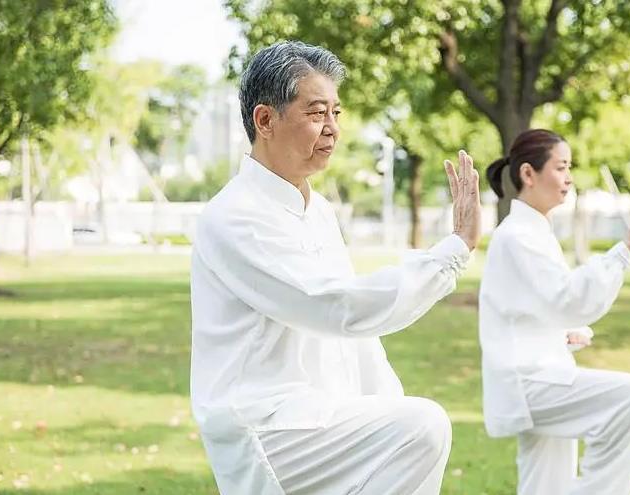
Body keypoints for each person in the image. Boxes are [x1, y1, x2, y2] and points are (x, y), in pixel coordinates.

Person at [189, 40, 481, 495]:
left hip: (321, 418)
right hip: (265, 426)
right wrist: (453, 251)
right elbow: (335, 306)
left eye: (336, 114)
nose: (332, 129)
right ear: (265, 120)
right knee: (422, 426)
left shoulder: (319, 209)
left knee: (413, 426)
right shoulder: (233, 217)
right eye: (316, 113)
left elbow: (355, 342)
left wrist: (389, 404)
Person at [479, 129, 630, 495]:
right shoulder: (518, 235)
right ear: (529, 174)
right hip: (528, 381)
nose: (569, 178)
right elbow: (567, 298)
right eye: (561, 167)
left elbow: (530, 308)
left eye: (569, 167)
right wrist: (624, 250)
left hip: (540, 373)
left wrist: (564, 333)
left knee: (545, 485)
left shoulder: (532, 231)